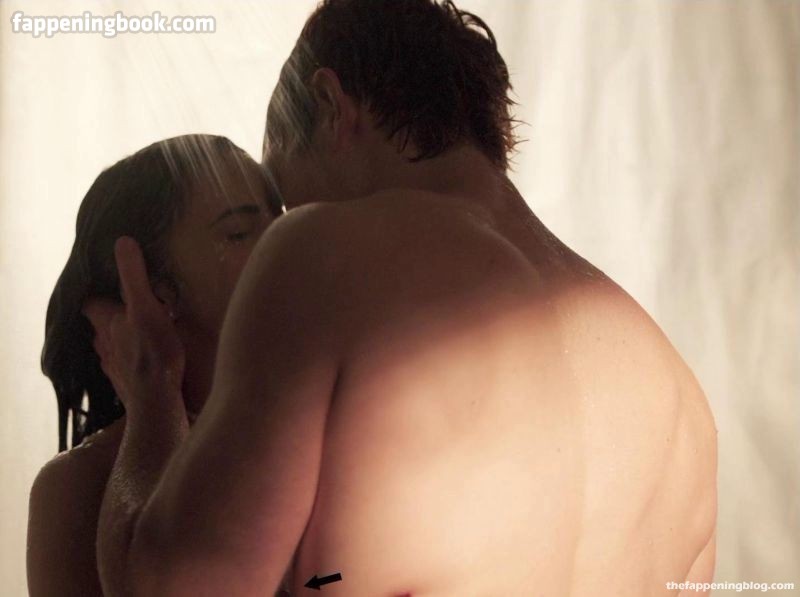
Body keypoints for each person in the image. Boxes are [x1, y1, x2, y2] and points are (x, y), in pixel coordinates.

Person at [92, 1, 718, 596]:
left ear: (330, 105)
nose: (278, 225)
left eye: (283, 194)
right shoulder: (676, 391)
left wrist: (153, 392)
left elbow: (180, 590)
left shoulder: (322, 251)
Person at [27, 134, 287, 596]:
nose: (285, 242)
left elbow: (338, 577)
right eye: (238, 233)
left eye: (282, 221)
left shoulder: (314, 430)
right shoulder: (78, 486)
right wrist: (155, 395)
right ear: (154, 290)